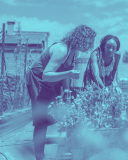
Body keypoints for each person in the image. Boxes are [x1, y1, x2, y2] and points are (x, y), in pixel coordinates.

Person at [26, 25, 96, 160]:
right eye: (87, 41)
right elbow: (46, 75)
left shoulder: (75, 52)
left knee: (66, 110)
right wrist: (69, 74)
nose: (89, 45)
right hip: (38, 79)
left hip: (53, 80)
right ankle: (39, 156)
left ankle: (69, 147)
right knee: (41, 119)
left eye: (91, 42)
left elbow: (65, 74)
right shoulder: (62, 49)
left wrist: (68, 91)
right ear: (80, 38)